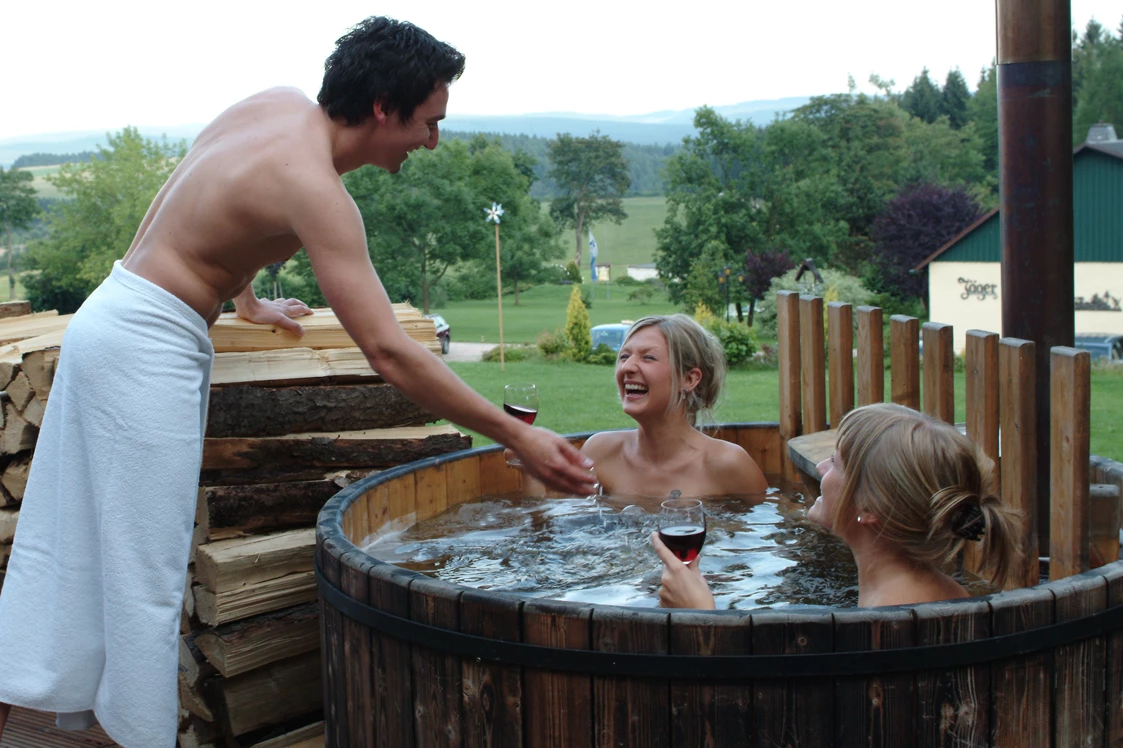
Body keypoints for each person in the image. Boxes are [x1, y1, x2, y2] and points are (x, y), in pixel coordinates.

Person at [0, 17, 597, 747]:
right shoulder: (317, 191)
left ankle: (44, 700)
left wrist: (243, 299)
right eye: (429, 122)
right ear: (383, 107)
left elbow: (193, 197)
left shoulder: (275, 106)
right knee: (144, 574)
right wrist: (515, 434)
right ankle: (136, 735)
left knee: (74, 535)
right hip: (142, 349)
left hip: (113, 313)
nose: (431, 141)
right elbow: (388, 350)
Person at [655, 402, 1022, 609]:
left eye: (836, 463)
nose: (820, 468)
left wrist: (702, 617)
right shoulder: (933, 590)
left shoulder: (889, 618)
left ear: (870, 506)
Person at [577, 314, 768, 499]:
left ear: (689, 379)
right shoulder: (600, 453)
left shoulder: (728, 464)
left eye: (648, 357)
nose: (627, 367)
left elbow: (768, 524)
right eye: (625, 356)